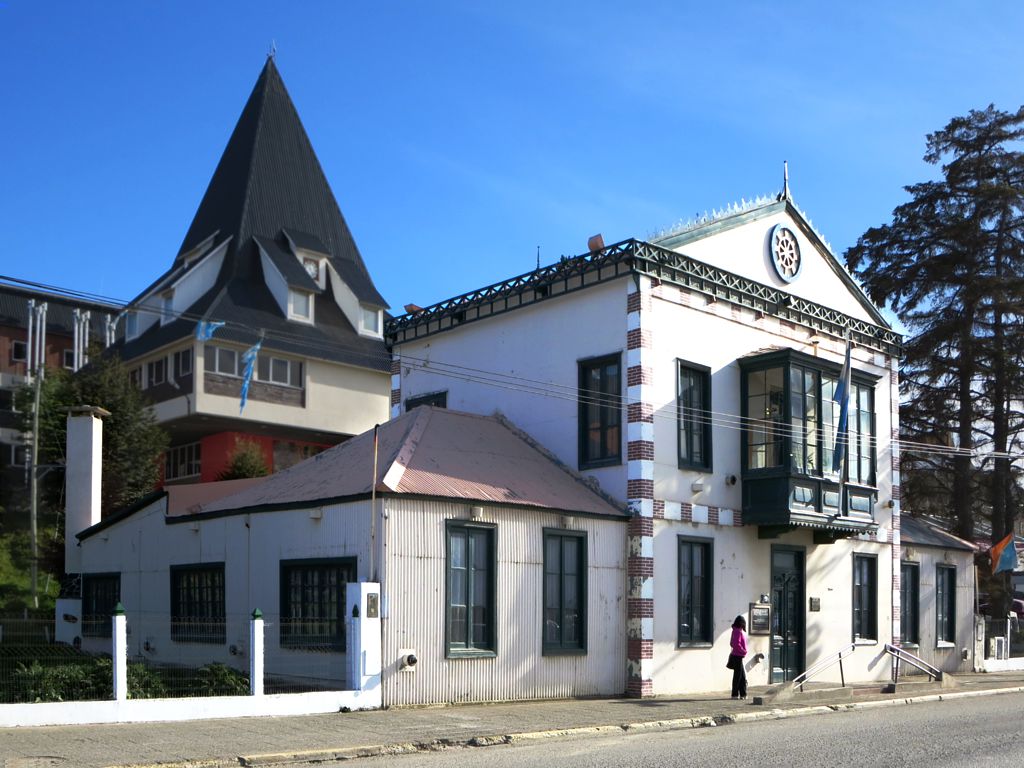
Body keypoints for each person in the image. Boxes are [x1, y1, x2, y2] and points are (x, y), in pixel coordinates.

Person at [729, 614, 748, 700]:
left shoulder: (734, 631)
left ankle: (743, 694)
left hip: (737, 655)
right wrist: (743, 651)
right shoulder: (738, 631)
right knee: (738, 676)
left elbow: (731, 643)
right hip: (738, 656)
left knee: (742, 676)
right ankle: (735, 694)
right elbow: (736, 644)